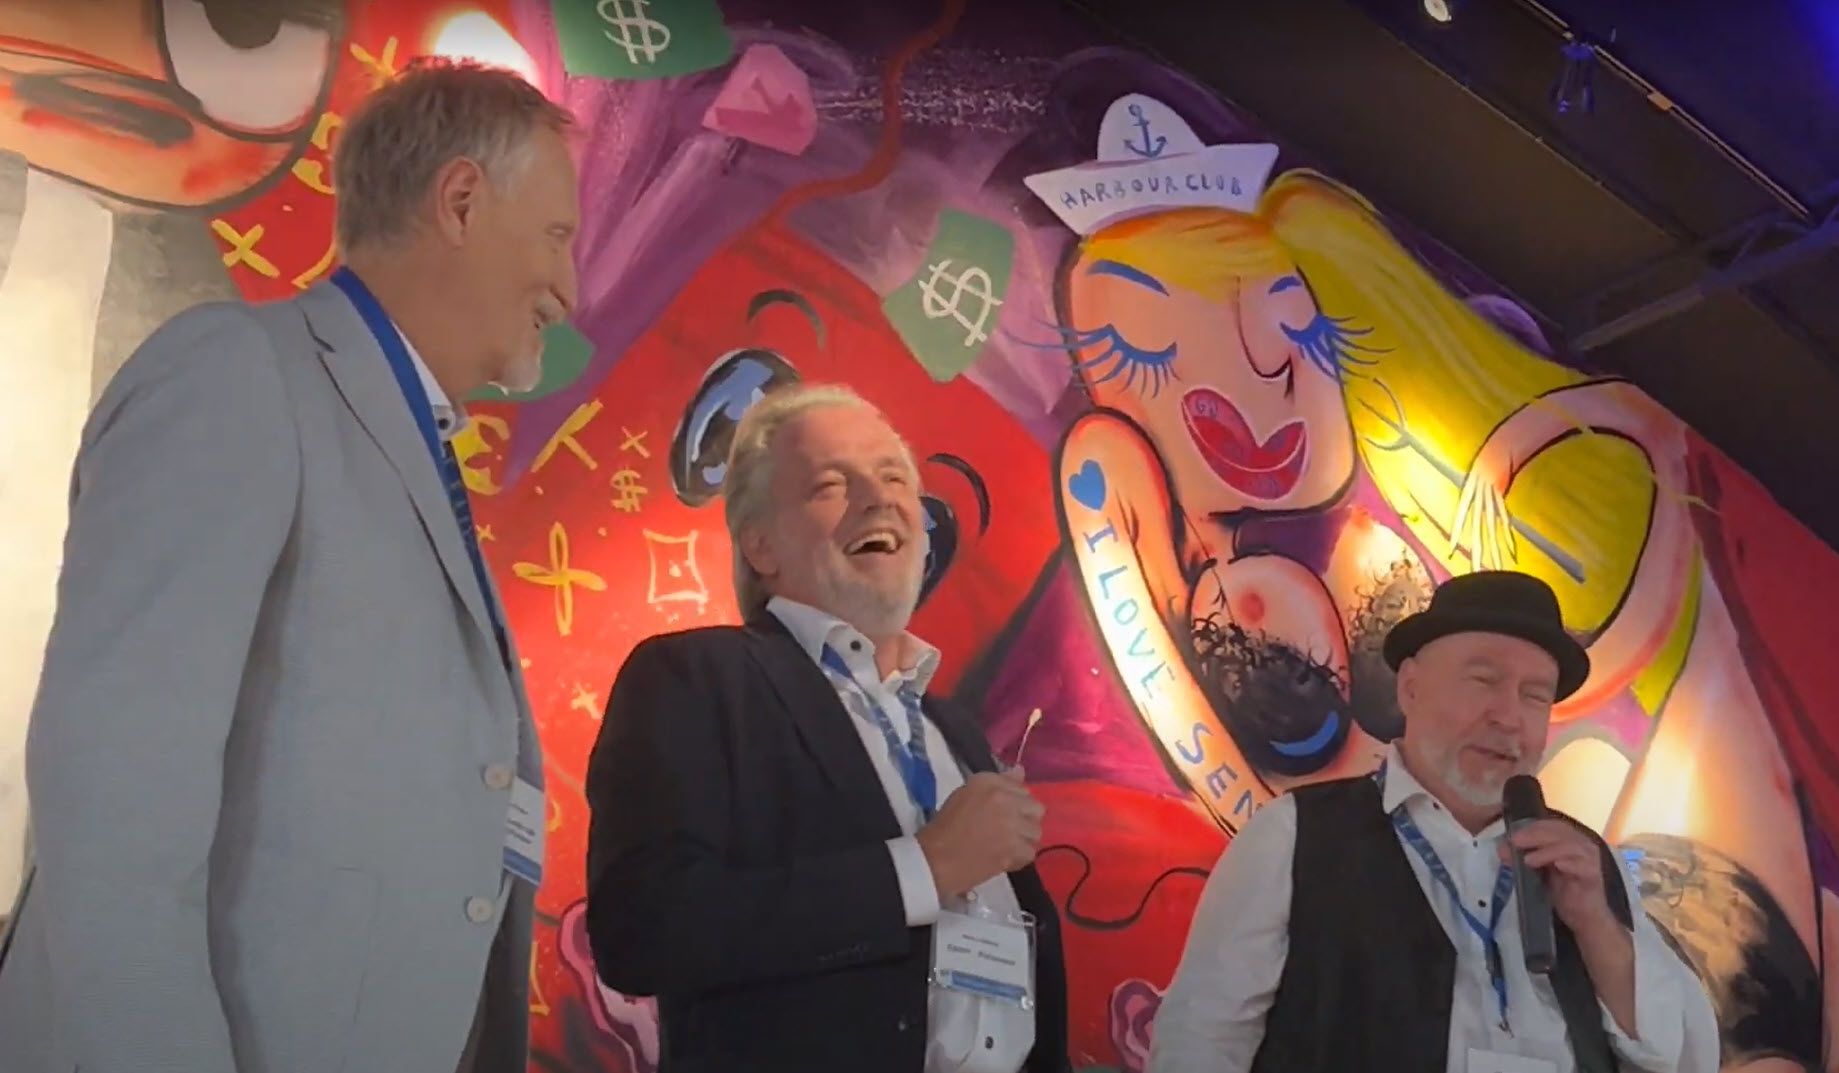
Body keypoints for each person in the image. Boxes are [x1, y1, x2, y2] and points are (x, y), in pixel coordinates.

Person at [0, 59, 578, 1073]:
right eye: (559, 236)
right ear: (460, 201)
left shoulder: (402, 440)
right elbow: (114, 786)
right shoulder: (240, 372)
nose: (569, 291)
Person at [585, 383, 1072, 1073]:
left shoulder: (955, 730)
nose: (879, 499)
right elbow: (644, 928)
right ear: (761, 545)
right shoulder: (698, 678)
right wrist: (925, 867)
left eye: (894, 477)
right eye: (830, 486)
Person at [1147, 570, 1721, 1073]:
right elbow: (1202, 1040)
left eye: (1534, 696)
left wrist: (1597, 928)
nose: (1508, 717)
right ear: (1411, 687)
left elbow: (1685, 1058)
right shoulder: (1297, 835)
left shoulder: (1585, 863)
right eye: (1484, 680)